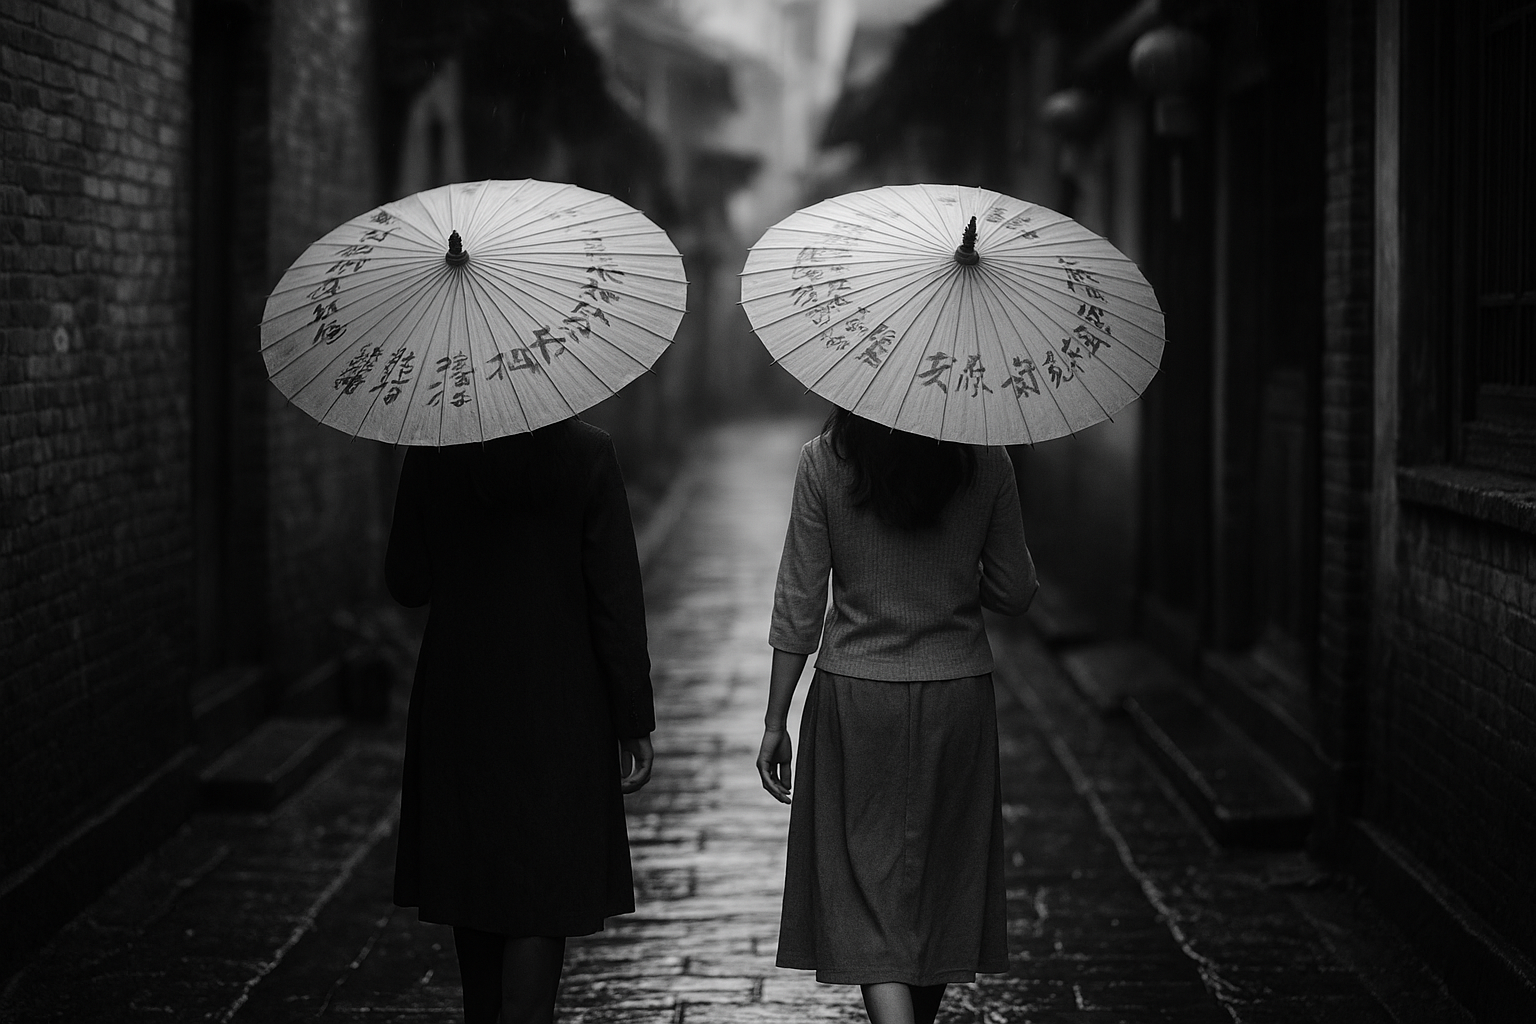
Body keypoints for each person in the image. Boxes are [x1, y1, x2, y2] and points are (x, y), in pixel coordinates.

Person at [757, 407, 1037, 1024]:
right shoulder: (986, 462)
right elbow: (1015, 592)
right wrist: (960, 567)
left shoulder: (824, 462)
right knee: (943, 882)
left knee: (864, 890)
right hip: (957, 695)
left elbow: (799, 600)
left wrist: (777, 721)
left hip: (857, 697)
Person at [386, 416, 655, 1024]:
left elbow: (406, 582)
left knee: (474, 876)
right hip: (560, 703)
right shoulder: (588, 452)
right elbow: (614, 593)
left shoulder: (434, 451)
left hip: (462, 704)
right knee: (541, 882)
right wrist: (632, 716)